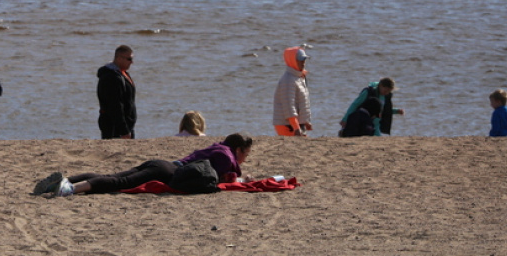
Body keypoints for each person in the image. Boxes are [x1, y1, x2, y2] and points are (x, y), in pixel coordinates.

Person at [35, 133, 253, 196]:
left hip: (164, 164)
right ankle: (70, 189)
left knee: (113, 176)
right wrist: (242, 179)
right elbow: (220, 180)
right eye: (246, 153)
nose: (245, 158)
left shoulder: (217, 147)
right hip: (168, 172)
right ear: (238, 150)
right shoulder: (227, 156)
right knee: (119, 183)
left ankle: (64, 181)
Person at [340, 77, 405, 136]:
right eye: (385, 91)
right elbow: (355, 104)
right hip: (363, 122)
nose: (386, 93)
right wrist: (345, 119)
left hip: (376, 124)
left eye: (389, 92)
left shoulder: (385, 96)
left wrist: (396, 111)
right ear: (380, 85)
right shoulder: (368, 92)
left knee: (377, 139)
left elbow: (384, 110)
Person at [96, 45, 137, 139]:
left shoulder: (123, 74)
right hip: (114, 126)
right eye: (129, 59)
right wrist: (124, 130)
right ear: (119, 58)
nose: (132, 62)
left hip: (126, 125)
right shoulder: (110, 77)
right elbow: (115, 105)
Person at [272, 46, 312, 137]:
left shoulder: (299, 77)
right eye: (300, 60)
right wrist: (296, 127)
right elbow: (289, 106)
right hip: (287, 126)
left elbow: (301, 103)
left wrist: (306, 122)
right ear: (292, 60)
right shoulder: (288, 80)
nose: (303, 62)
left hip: (296, 124)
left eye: (304, 59)